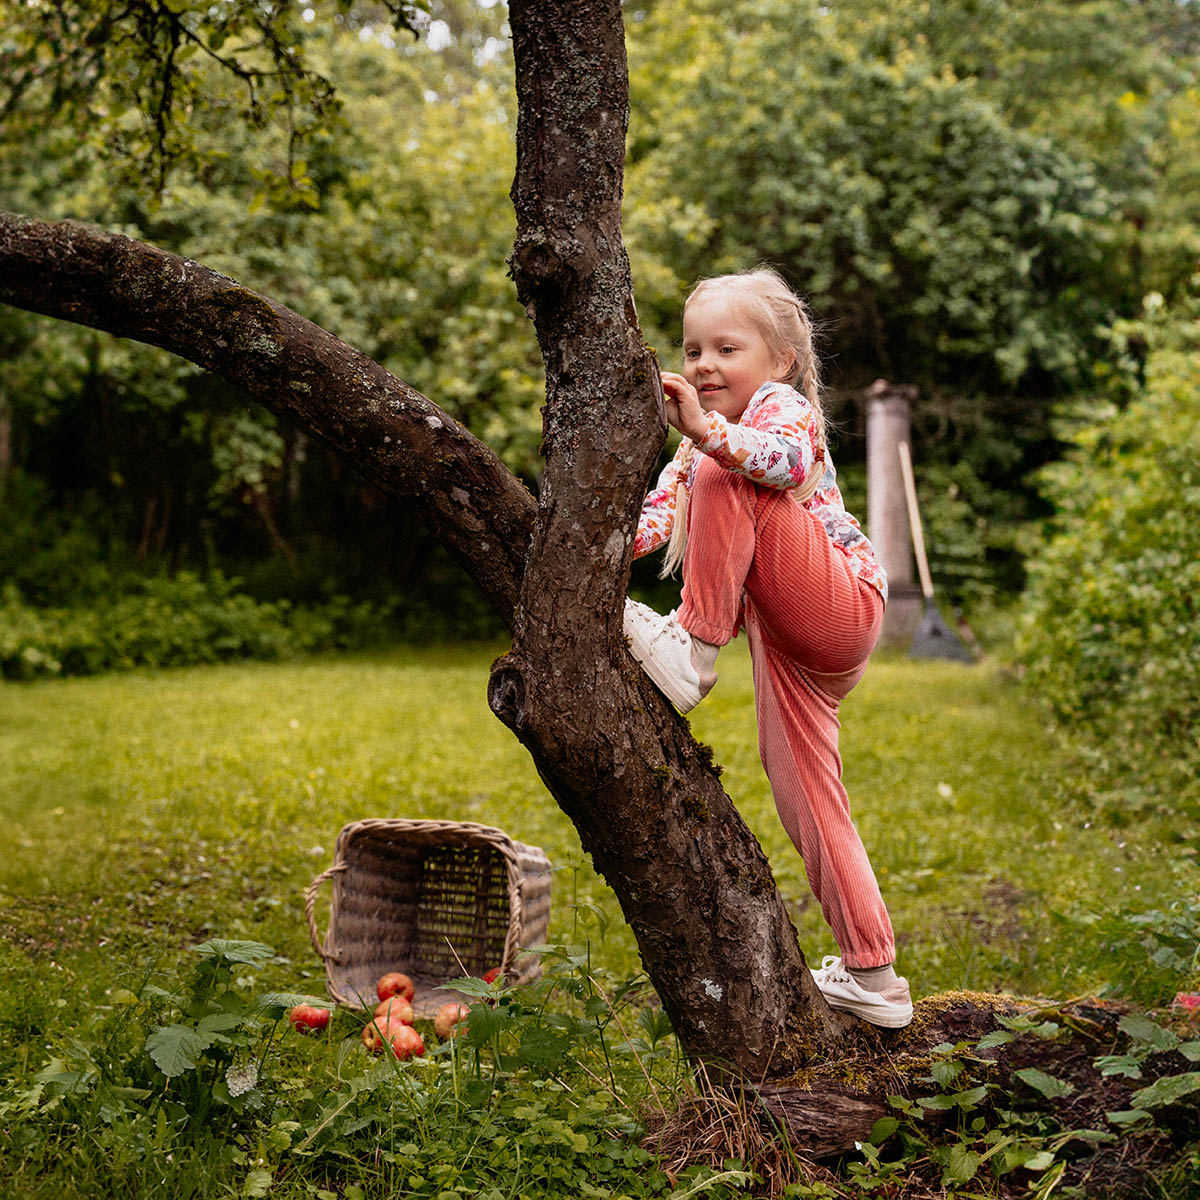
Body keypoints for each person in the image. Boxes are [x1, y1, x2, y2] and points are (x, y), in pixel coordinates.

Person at [624, 267, 912, 1029]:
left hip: (840, 602)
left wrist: (706, 436)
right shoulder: (700, 448)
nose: (704, 365)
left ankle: (692, 649)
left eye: (727, 347)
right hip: (789, 646)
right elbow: (654, 522)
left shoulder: (781, 410)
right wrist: (575, 543)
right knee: (809, 804)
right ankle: (874, 973)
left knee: (727, 468)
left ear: (780, 358)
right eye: (692, 350)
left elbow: (780, 465)